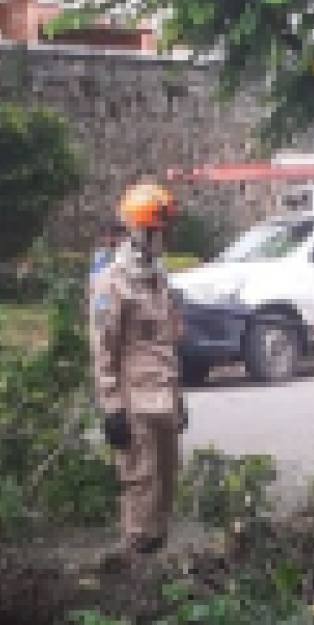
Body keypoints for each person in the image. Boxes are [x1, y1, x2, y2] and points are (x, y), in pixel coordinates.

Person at [91, 182, 185, 556]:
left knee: (166, 481)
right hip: (134, 401)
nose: (165, 238)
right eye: (159, 231)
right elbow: (103, 349)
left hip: (164, 397)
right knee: (140, 482)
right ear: (139, 231)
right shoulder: (112, 283)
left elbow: (164, 343)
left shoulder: (157, 278)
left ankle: (156, 560)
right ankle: (134, 563)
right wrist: (112, 408)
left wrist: (180, 398)